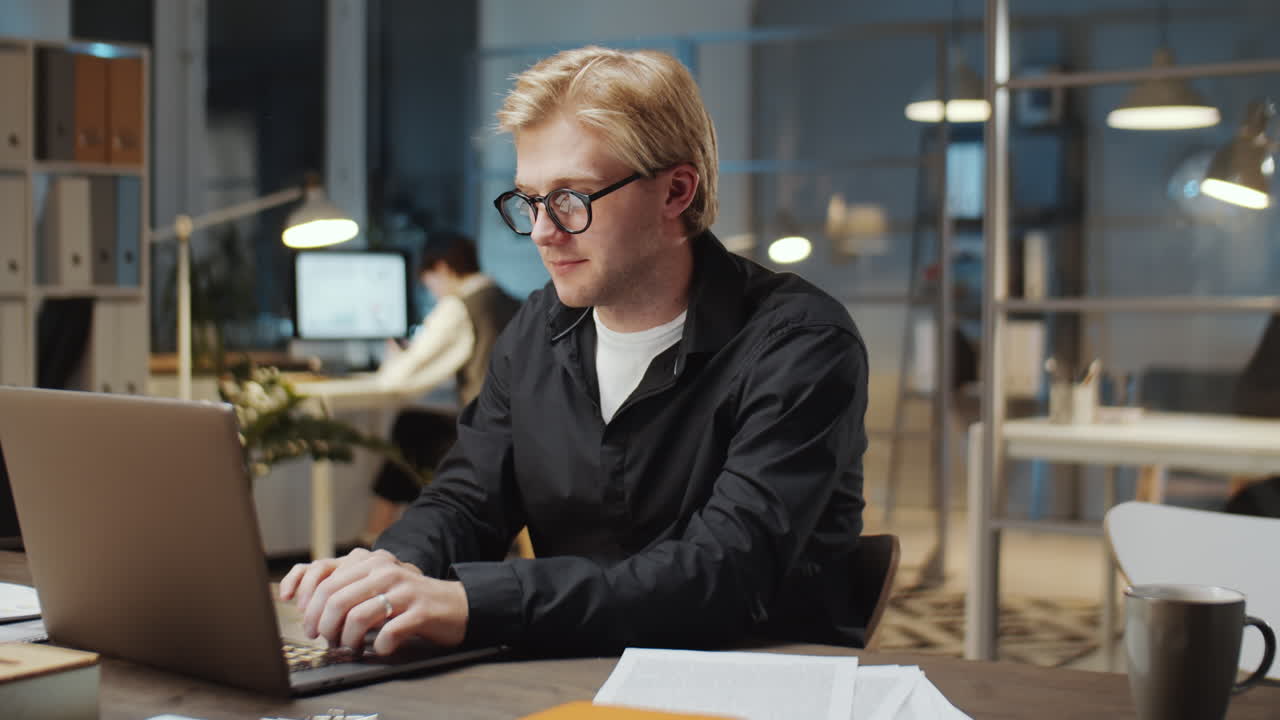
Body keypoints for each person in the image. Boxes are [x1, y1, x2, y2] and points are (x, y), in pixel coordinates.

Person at [281, 45, 869, 656]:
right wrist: (387, 572)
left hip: (756, 685)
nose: (542, 231)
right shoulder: (539, 328)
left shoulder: (802, 343)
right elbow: (466, 500)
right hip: (571, 681)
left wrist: (471, 603)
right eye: (530, 200)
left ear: (675, 192)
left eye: (572, 198)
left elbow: (721, 576)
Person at [364, 231, 521, 541]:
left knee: (410, 428)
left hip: (492, 442)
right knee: (417, 429)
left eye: (429, 282)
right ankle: (387, 538)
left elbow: (398, 380)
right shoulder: (511, 302)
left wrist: (395, 358)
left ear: (442, 269)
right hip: (522, 437)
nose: (433, 292)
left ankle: (378, 538)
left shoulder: (460, 307)